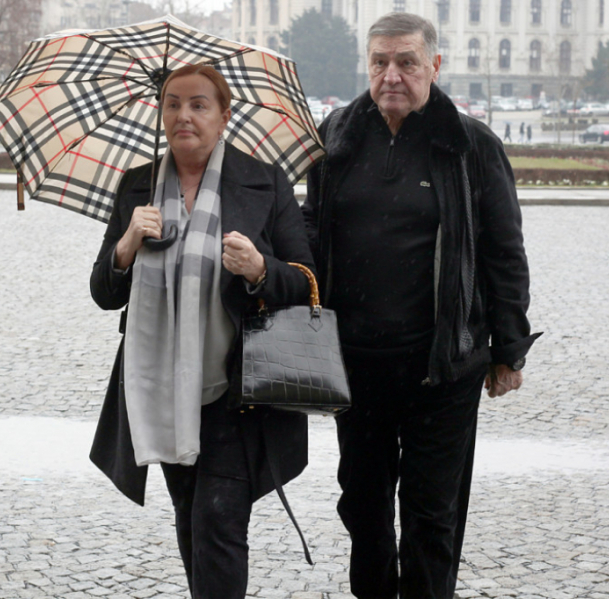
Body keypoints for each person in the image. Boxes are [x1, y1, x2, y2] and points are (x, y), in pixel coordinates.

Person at [302, 12, 540, 599]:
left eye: (406, 62)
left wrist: (509, 349)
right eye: (380, 62)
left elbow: (503, 251)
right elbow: (310, 229)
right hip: (356, 363)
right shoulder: (336, 134)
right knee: (362, 506)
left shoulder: (469, 144)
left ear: (434, 65)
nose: (391, 75)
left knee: (432, 513)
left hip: (443, 365)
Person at [88, 64, 315, 599]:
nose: (183, 116)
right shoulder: (137, 186)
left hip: (236, 392)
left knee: (219, 522)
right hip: (161, 392)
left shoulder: (264, 182)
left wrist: (259, 269)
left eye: (198, 104)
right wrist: (126, 244)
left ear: (224, 115)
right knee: (192, 518)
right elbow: (103, 291)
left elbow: (306, 280)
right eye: (172, 104)